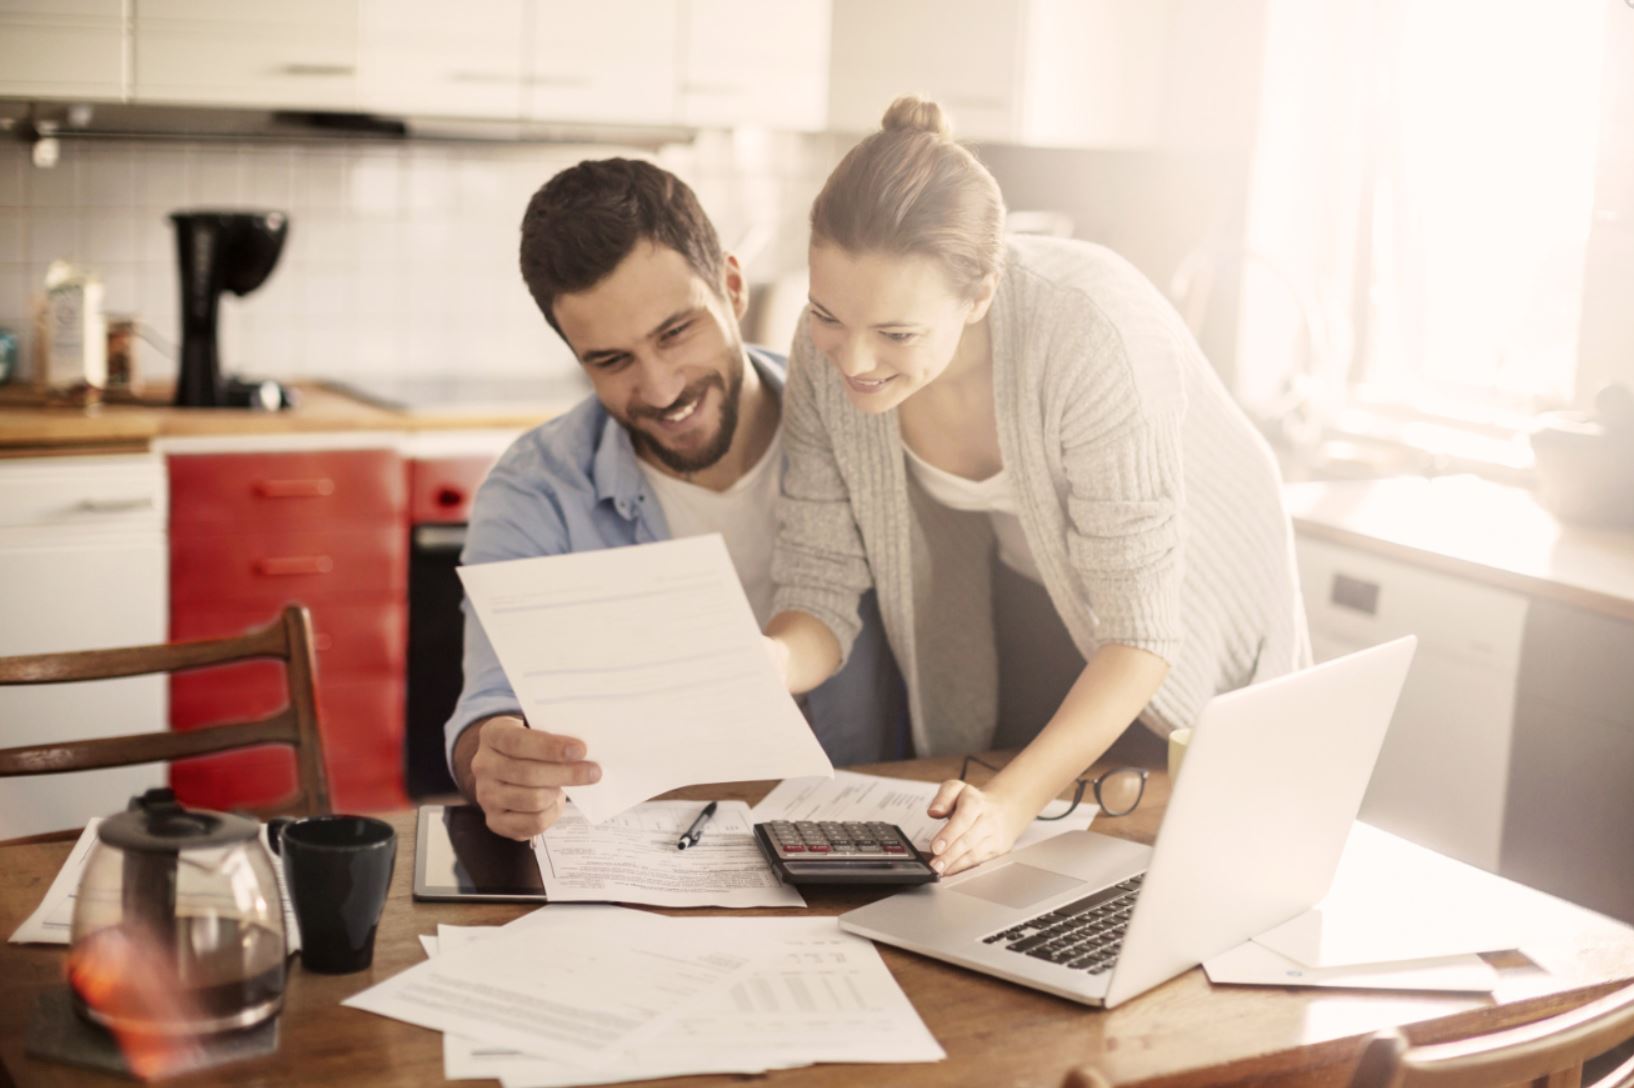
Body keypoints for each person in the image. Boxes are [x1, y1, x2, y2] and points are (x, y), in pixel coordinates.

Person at [764, 97, 1310, 877]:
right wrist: (767, 663)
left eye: (896, 334)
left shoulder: (1092, 333)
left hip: (1189, 590)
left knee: (1174, 834)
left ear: (980, 294)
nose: (851, 361)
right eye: (827, 315)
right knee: (1016, 837)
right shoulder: (828, 353)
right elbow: (817, 586)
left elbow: (1140, 635)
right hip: (1033, 570)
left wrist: (1013, 804)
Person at [449, 158, 906, 840]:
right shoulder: (534, 490)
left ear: (731, 284)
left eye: (675, 333)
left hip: (869, 837)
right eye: (611, 361)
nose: (661, 389)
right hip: (650, 854)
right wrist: (498, 761)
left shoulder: (862, 424)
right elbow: (489, 708)